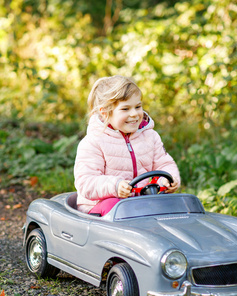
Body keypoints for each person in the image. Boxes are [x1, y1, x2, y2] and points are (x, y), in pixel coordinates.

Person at [74, 75, 180, 216]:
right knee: (118, 207)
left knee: (172, 204)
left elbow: (164, 163)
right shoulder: (93, 142)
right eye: (125, 109)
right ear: (105, 113)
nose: (134, 114)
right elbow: (86, 182)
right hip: (101, 207)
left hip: (139, 203)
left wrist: (168, 179)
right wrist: (115, 186)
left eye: (138, 106)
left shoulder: (150, 136)